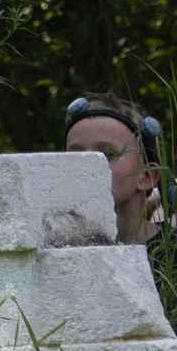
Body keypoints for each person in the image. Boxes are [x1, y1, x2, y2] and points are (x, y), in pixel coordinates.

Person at [62, 92, 164, 244]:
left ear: (146, 176)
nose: (88, 164)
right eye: (75, 155)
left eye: (106, 154)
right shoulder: (54, 246)